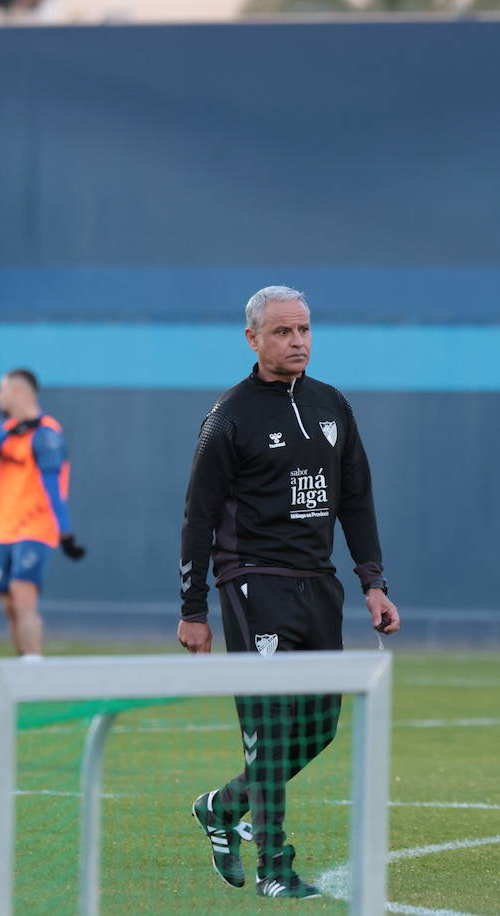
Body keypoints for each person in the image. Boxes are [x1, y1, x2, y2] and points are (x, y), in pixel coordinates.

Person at [179, 285, 400, 899]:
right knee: (271, 726)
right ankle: (276, 870)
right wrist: (193, 610)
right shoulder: (228, 417)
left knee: (320, 724)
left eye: (303, 330)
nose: (296, 341)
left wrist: (373, 584)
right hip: (252, 582)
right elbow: (197, 518)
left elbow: (355, 499)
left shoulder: (333, 406)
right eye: (282, 332)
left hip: (319, 585)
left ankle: (223, 806)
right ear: (253, 339)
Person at [0, 369, 86, 660]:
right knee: (9, 604)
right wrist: (11, 431)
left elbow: (52, 486)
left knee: (23, 597)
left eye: (2, 390)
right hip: (4, 529)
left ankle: (34, 667)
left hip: (35, 527)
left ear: (18, 392)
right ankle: (24, 664)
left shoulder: (46, 435)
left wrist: (65, 531)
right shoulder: (4, 430)